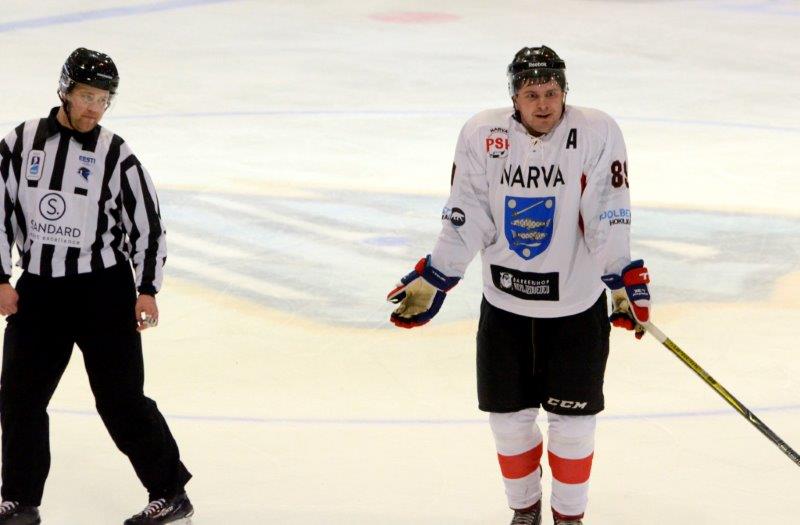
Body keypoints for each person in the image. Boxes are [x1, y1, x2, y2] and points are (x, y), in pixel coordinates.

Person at [387, 45, 651, 525]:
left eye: (551, 92)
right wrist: (438, 274)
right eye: (532, 95)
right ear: (514, 97)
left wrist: (621, 278)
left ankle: (568, 517)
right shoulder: (482, 134)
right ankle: (524, 510)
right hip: (504, 307)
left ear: (565, 92)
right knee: (508, 422)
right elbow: (467, 212)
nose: (544, 104)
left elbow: (608, 211)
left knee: (574, 425)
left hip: (574, 308)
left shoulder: (596, 132)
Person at [0, 48, 193, 525]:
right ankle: (20, 500)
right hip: (39, 291)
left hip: (103, 293)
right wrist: (0, 277)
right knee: (20, 398)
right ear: (65, 91)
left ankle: (170, 492)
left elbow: (147, 225)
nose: (94, 109)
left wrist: (147, 288)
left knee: (121, 400)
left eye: (104, 100)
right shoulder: (21, 142)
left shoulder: (116, 154)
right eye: (87, 96)